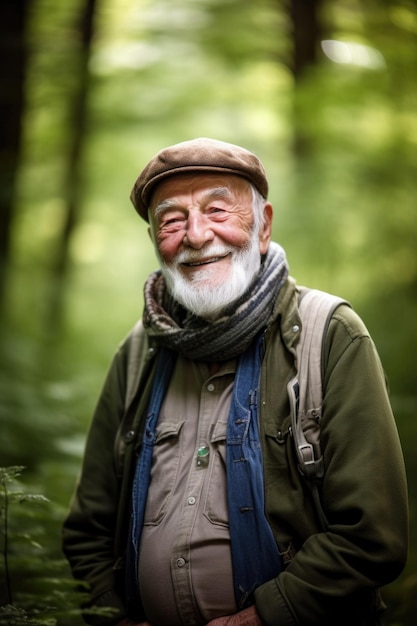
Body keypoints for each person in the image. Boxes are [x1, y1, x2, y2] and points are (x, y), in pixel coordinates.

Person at [62, 137, 408, 626]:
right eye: (172, 219)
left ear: (263, 226)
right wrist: (112, 615)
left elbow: (372, 537)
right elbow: (87, 530)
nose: (196, 235)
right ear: (155, 240)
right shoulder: (139, 351)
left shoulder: (328, 334)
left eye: (218, 210)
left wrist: (262, 617)